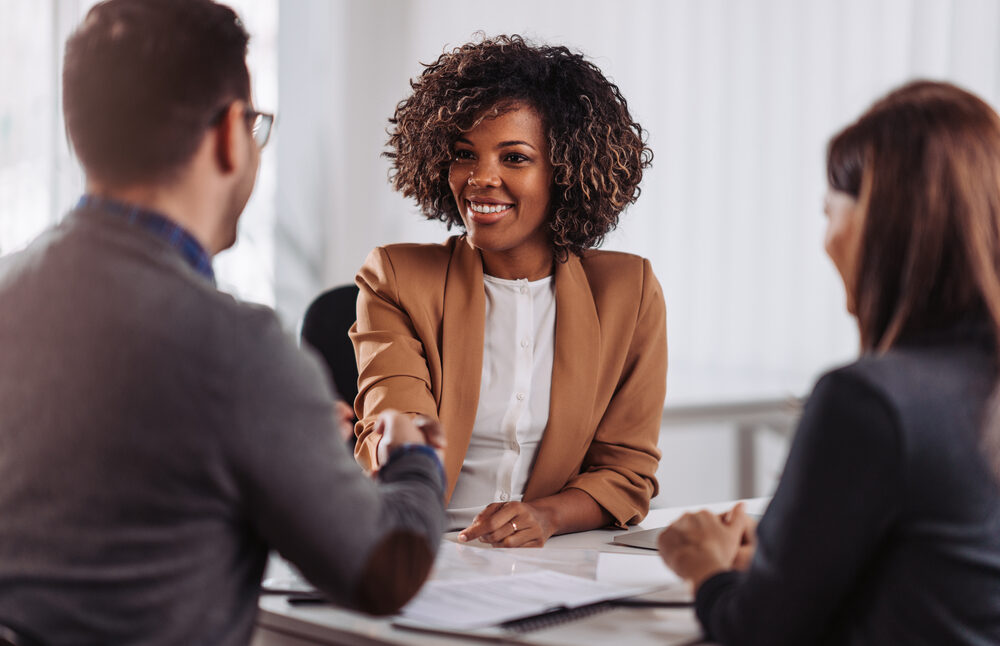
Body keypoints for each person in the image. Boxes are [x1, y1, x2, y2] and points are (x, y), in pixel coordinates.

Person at [0, 1, 445, 643]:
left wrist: (281, 428)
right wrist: (412, 458)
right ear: (230, 135)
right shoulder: (239, 350)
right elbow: (383, 571)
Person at [658, 80, 1000, 645]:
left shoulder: (870, 400)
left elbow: (759, 632)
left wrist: (706, 569)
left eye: (828, 212)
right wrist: (786, 560)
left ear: (881, 220)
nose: (825, 240)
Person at [350, 35, 666, 547]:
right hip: (420, 547)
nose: (480, 179)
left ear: (564, 172)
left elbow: (625, 472)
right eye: (464, 154)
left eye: (514, 158)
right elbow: (399, 421)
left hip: (552, 559)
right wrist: (395, 444)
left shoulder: (628, 292)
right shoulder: (397, 278)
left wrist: (545, 516)